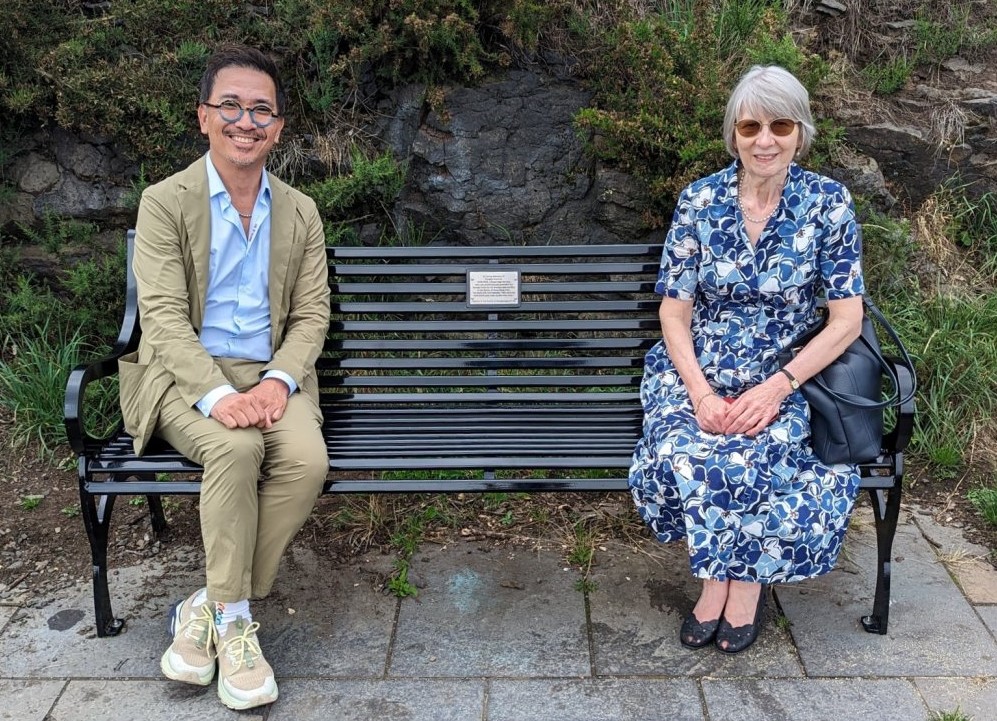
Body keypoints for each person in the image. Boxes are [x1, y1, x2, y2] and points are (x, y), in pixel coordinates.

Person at [118, 45, 330, 709]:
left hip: (269, 372)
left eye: (260, 109)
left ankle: (205, 603)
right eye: (230, 106)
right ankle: (236, 625)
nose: (246, 120)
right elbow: (160, 316)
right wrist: (215, 394)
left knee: (305, 460)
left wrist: (276, 382)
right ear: (204, 117)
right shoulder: (164, 201)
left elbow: (310, 312)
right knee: (234, 446)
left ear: (278, 126)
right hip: (183, 374)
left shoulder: (300, 211)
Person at [628, 65, 865, 654]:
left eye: (780, 124)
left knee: (770, 450)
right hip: (696, 368)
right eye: (751, 125)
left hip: (788, 372)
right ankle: (715, 584)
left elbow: (846, 320)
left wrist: (777, 388)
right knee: (691, 448)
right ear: (733, 133)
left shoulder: (828, 204)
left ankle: (747, 588)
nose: (765, 139)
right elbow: (674, 313)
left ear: (800, 132)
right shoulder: (700, 200)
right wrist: (701, 394)